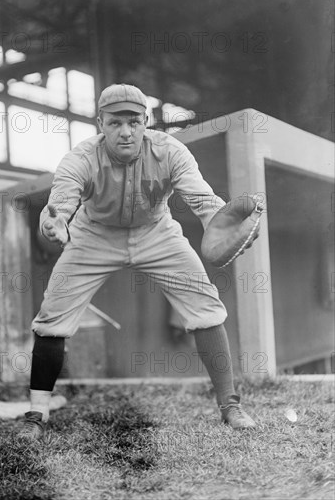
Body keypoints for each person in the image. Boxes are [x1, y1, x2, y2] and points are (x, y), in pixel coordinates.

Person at [19, 84, 256, 440]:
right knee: (52, 317)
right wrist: (53, 223)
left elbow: (203, 201)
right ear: (100, 122)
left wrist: (220, 225)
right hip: (93, 233)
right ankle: (36, 414)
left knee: (206, 307)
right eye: (115, 122)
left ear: (146, 121)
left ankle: (230, 405)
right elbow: (61, 203)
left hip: (155, 231)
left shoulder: (170, 151)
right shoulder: (80, 157)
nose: (125, 131)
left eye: (134, 121)